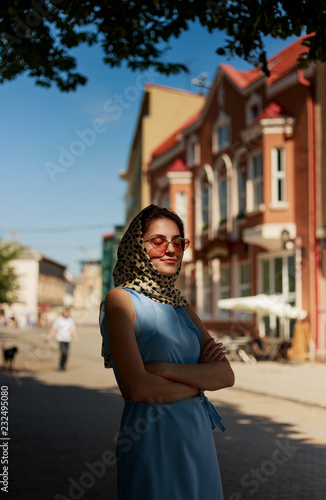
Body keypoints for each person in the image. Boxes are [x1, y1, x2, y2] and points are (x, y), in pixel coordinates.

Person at [99, 204, 235, 500]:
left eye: (178, 242)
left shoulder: (181, 305)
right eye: (159, 241)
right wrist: (201, 380)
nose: (171, 249)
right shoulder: (121, 300)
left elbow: (225, 374)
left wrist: (163, 369)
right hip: (152, 438)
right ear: (138, 246)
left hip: (197, 435)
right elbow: (137, 388)